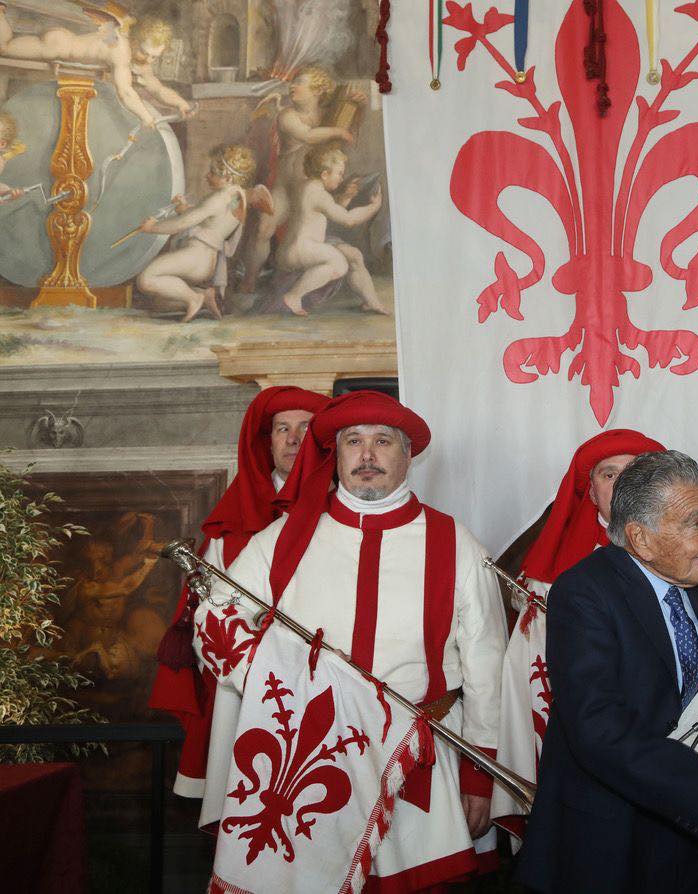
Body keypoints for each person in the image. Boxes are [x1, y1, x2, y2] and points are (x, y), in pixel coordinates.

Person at [200, 391, 507, 888]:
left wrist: (481, 775)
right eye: (353, 442)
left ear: (409, 456)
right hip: (308, 770)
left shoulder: (456, 543)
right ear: (336, 456)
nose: (367, 455)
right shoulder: (282, 540)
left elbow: (487, 667)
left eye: (383, 441)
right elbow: (216, 619)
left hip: (418, 767)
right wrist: (279, 687)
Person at [516, 450, 698, 894]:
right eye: (695, 523)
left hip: (695, 836)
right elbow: (599, 729)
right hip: (612, 843)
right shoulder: (582, 593)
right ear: (641, 539)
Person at [148, 385, 326, 804]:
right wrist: (267, 678)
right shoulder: (233, 523)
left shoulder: (347, 512)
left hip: (331, 686)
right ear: (267, 441)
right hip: (248, 691)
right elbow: (212, 622)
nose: (293, 439)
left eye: (305, 428)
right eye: (282, 428)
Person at [239, 65, 359, 293]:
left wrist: (356, 104)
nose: (292, 86)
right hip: (285, 187)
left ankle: (302, 283)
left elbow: (347, 124)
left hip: (309, 190)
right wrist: (337, 131)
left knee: (305, 237)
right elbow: (308, 136)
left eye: (299, 82)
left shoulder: (328, 116)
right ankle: (250, 279)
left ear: (317, 91)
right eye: (292, 82)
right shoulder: (287, 115)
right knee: (264, 228)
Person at [136, 144, 266, 321]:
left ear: (227, 177)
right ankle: (204, 295)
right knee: (160, 301)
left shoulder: (220, 197)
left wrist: (152, 227)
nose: (207, 176)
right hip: (207, 261)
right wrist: (184, 208)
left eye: (212, 172)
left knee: (146, 279)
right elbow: (211, 219)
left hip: (195, 256)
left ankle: (194, 298)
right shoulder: (238, 197)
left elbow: (185, 223)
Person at [262, 144, 386, 315]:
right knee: (339, 264)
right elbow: (348, 220)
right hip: (303, 248)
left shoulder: (306, 187)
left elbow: (322, 211)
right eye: (339, 174)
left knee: (354, 254)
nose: (341, 179)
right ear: (325, 174)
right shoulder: (319, 194)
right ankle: (293, 296)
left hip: (296, 247)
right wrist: (374, 207)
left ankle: (372, 302)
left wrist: (345, 197)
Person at [0, 3, 161, 127]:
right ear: (135, 41)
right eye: (145, 53)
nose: (148, 60)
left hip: (61, 42)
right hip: (57, 47)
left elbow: (94, 50)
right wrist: (145, 116)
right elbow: (125, 92)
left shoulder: (119, 36)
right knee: (4, 48)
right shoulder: (121, 53)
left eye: (154, 57)